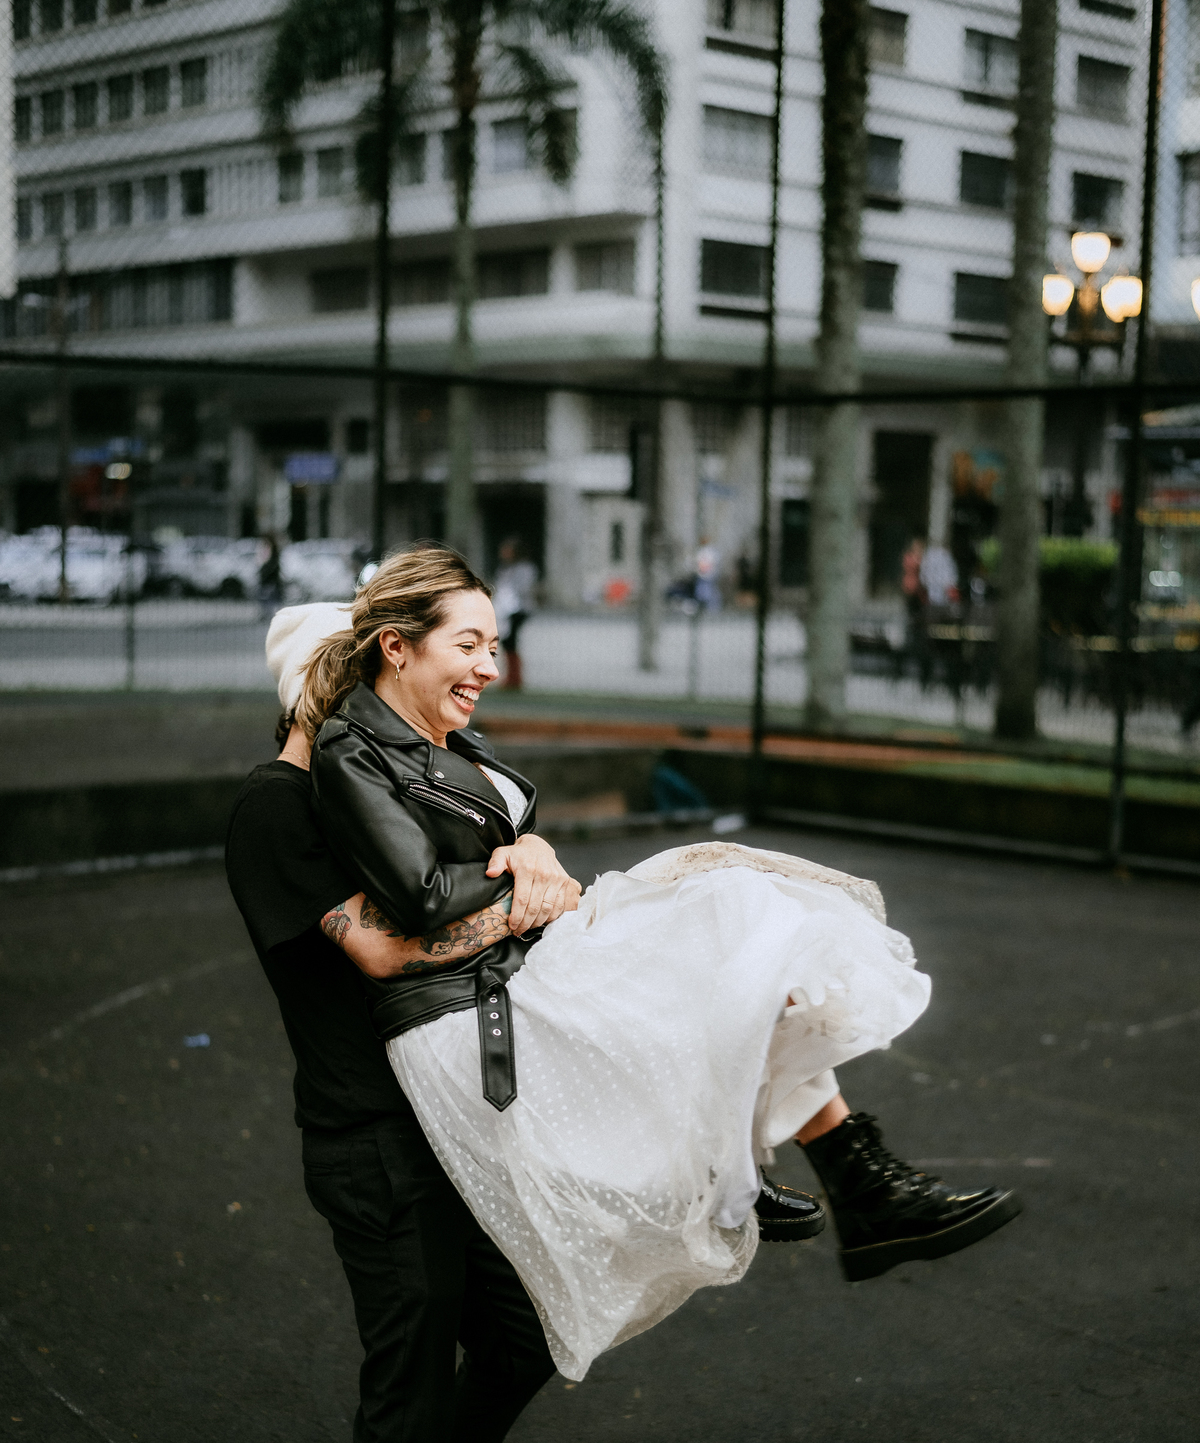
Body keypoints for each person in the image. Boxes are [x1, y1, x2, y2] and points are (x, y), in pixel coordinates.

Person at [290, 546, 1020, 1383]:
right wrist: (520, 868)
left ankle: (842, 1177)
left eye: (492, 644)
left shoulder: (443, 734)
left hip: (522, 952)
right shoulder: (355, 749)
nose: (489, 665)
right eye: (469, 645)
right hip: (468, 1003)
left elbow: (494, 838)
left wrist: (531, 849)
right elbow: (420, 891)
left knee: (734, 915)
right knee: (716, 921)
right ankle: (796, 1175)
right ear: (396, 646)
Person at [225, 643, 568, 1443]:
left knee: (517, 1337)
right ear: (321, 685)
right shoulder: (280, 809)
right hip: (371, 1143)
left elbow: (481, 857)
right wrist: (522, 897)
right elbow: (384, 945)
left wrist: (522, 860)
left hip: (442, 1124)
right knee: (405, 1403)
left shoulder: (375, 787)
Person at [490, 537, 537, 691]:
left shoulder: (525, 569)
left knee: (511, 640)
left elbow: (522, 588)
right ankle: (511, 676)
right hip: (505, 609)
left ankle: (515, 677)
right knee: (507, 642)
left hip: (518, 609)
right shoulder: (505, 569)